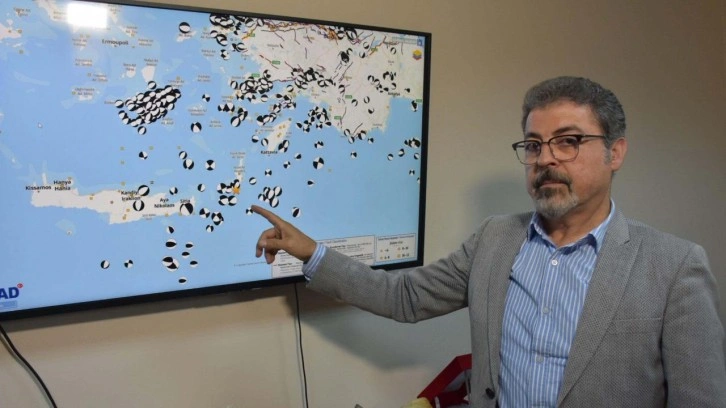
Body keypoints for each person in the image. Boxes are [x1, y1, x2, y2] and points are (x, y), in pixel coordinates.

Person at [252, 76, 726, 407]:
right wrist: (312, 253)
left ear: (615, 152)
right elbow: (405, 297)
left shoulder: (674, 266)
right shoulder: (496, 239)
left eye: (568, 141)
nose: (546, 159)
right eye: (534, 145)